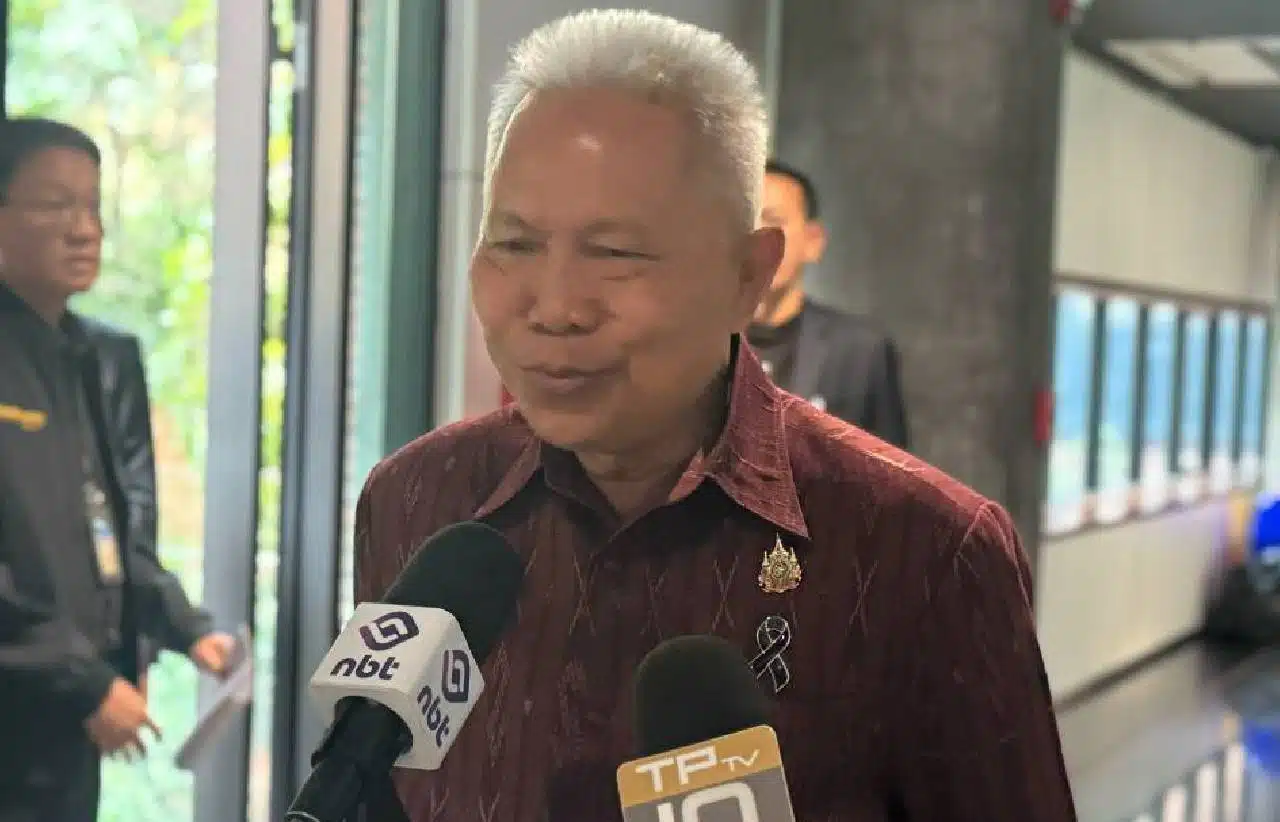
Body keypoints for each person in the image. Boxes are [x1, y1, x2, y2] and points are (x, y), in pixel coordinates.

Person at [355, 10, 1076, 822]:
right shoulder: (418, 500)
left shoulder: (928, 551)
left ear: (748, 275)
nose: (554, 308)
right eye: (515, 245)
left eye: (615, 253)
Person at [0, 117, 235, 822]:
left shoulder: (90, 358)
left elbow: (105, 525)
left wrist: (184, 626)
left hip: (69, 724)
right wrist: (84, 683)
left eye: (93, 206)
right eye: (54, 205)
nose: (84, 229)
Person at [749, 159, 910, 448]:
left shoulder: (860, 352)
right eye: (746, 222)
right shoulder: (696, 343)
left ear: (813, 241)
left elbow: (890, 468)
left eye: (773, 221)